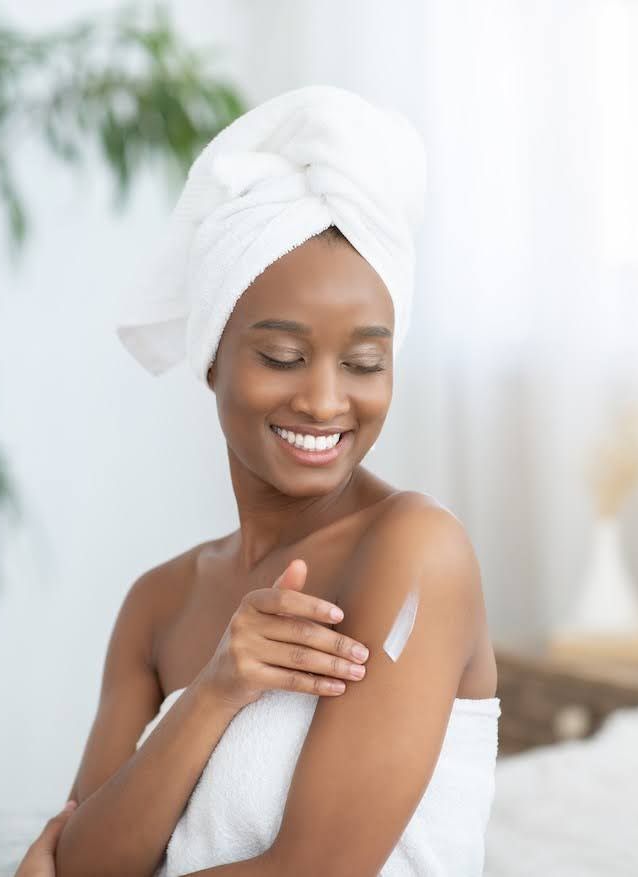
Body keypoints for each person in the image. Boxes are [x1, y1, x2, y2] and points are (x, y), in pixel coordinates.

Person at [42, 85, 500, 876]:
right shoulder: (159, 604)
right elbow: (84, 861)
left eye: (364, 363)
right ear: (211, 357)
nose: (324, 400)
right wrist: (216, 689)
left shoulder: (417, 552)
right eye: (283, 356)